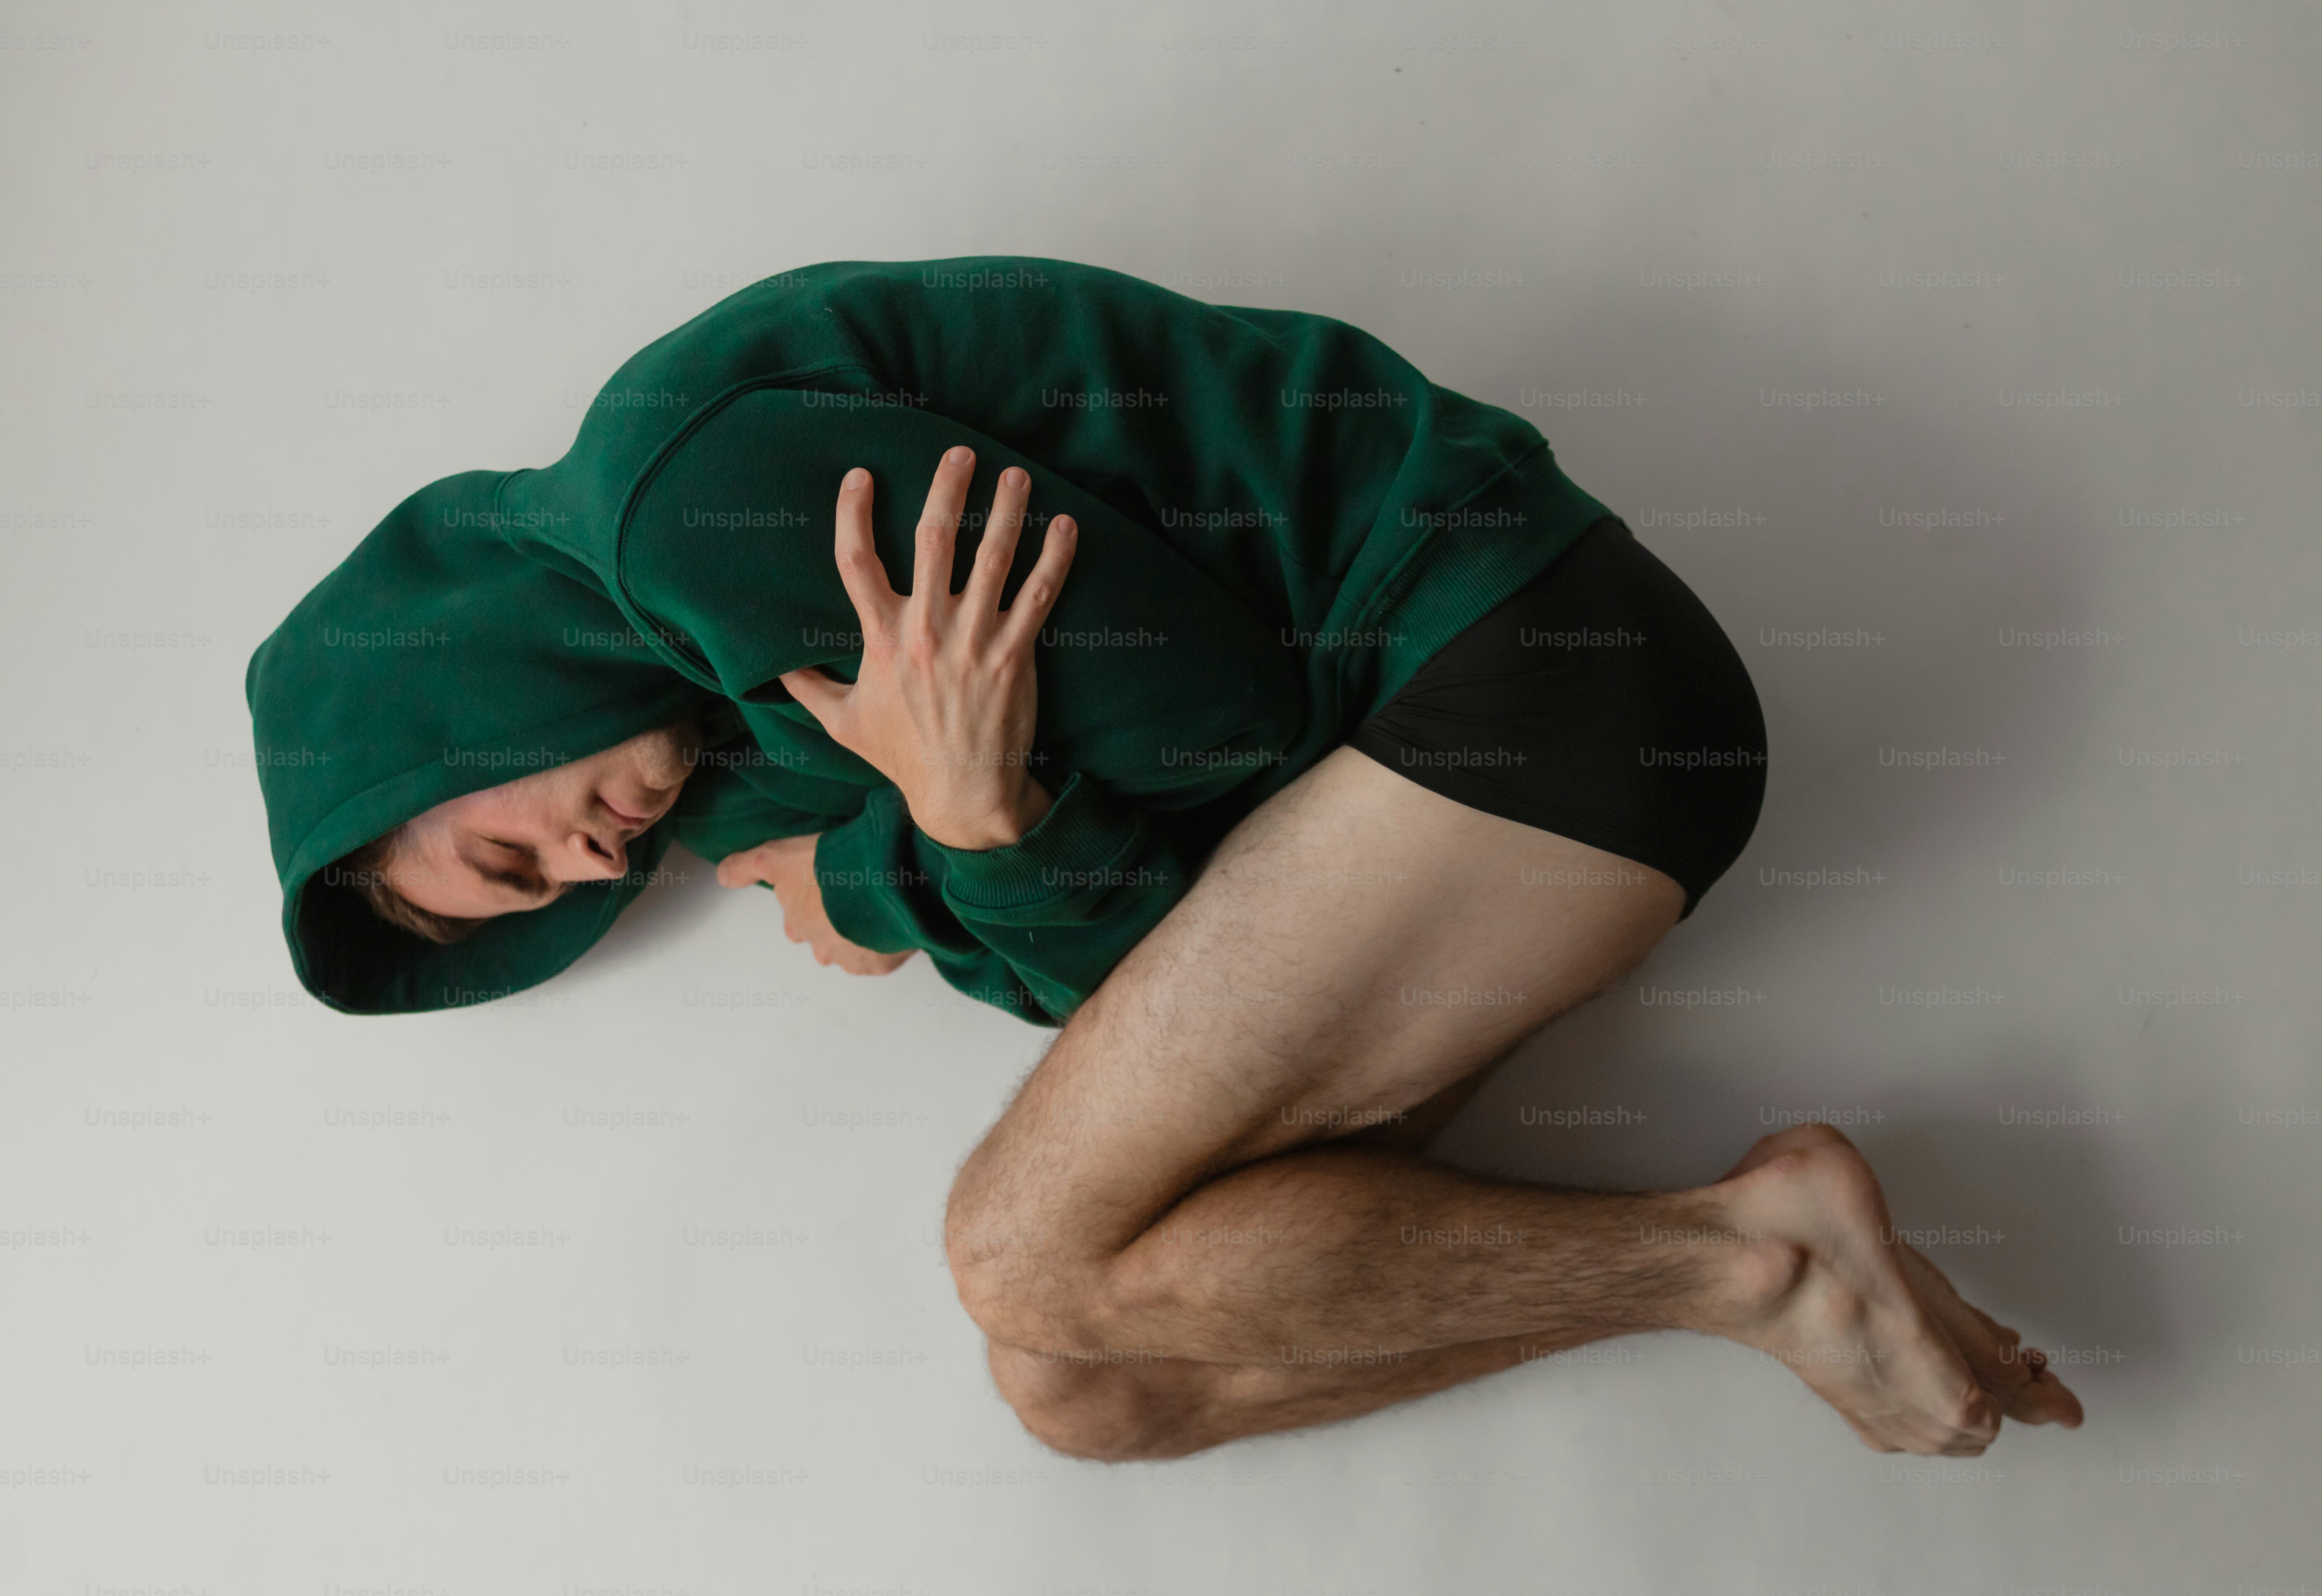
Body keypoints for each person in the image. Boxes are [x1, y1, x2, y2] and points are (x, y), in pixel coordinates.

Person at [247, 257, 2083, 1459]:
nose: (585, 871)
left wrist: (912, 855)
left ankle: (1766, 1265)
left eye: (505, 853)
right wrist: (959, 818)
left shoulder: (680, 506)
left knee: (1015, 1251)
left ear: (435, 707)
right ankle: (1732, 1269)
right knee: (1083, 1388)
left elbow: (1226, 729)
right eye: (549, 902)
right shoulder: (741, 779)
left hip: (1523, 665)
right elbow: (1100, 973)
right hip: (1423, 798)